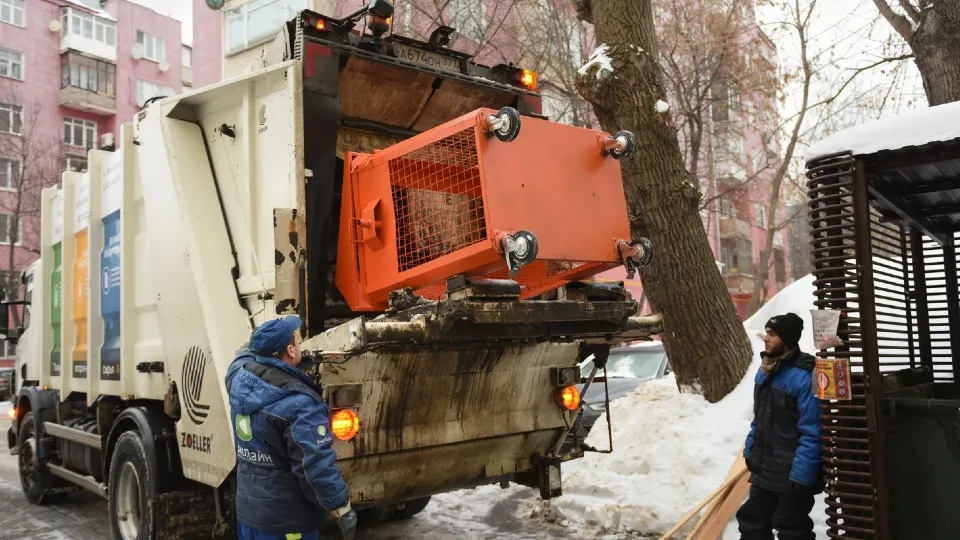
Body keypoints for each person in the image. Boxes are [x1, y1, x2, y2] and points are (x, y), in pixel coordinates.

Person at [225, 315, 357, 540]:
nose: (301, 346)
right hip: (287, 524)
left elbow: (242, 355)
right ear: (291, 350)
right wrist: (341, 507)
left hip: (250, 518)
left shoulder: (239, 378)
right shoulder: (300, 404)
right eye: (297, 342)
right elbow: (314, 466)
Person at [737, 312, 822, 540]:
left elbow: (813, 431)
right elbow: (760, 418)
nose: (765, 338)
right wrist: (750, 450)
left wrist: (803, 475)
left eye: (772, 334)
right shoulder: (767, 369)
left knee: (791, 529)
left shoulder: (806, 376)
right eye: (766, 332)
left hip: (791, 471)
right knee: (752, 523)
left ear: (787, 338)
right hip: (765, 467)